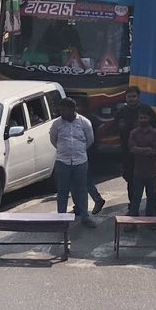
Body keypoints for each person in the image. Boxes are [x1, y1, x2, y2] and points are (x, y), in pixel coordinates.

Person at [50, 96, 97, 225]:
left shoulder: (84, 122)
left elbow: (90, 140)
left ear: (73, 109)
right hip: (62, 161)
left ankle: (84, 217)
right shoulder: (56, 124)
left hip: (80, 161)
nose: (63, 113)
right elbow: (53, 140)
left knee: (81, 189)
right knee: (62, 191)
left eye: (65, 110)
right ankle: (61, 219)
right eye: (61, 110)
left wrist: (78, 150)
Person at [124, 107, 156, 216]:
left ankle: (149, 218)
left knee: (151, 196)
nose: (143, 120)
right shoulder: (134, 132)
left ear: (149, 119)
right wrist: (147, 149)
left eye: (145, 117)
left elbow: (155, 150)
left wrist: (140, 149)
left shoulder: (155, 133)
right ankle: (132, 219)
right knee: (136, 196)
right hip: (138, 171)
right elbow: (132, 148)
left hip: (151, 171)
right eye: (141, 118)